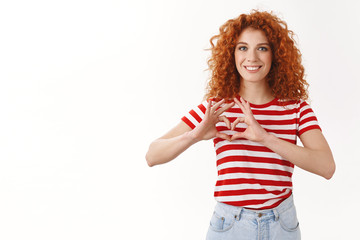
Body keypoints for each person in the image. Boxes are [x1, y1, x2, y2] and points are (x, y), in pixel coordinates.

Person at [145, 10, 335, 240]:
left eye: (262, 48)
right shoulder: (216, 108)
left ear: (276, 55)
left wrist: (266, 137)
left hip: (281, 226)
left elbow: (326, 167)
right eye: (243, 48)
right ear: (231, 54)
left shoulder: (296, 109)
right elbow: (152, 155)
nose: (252, 57)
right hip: (229, 227)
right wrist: (195, 135)